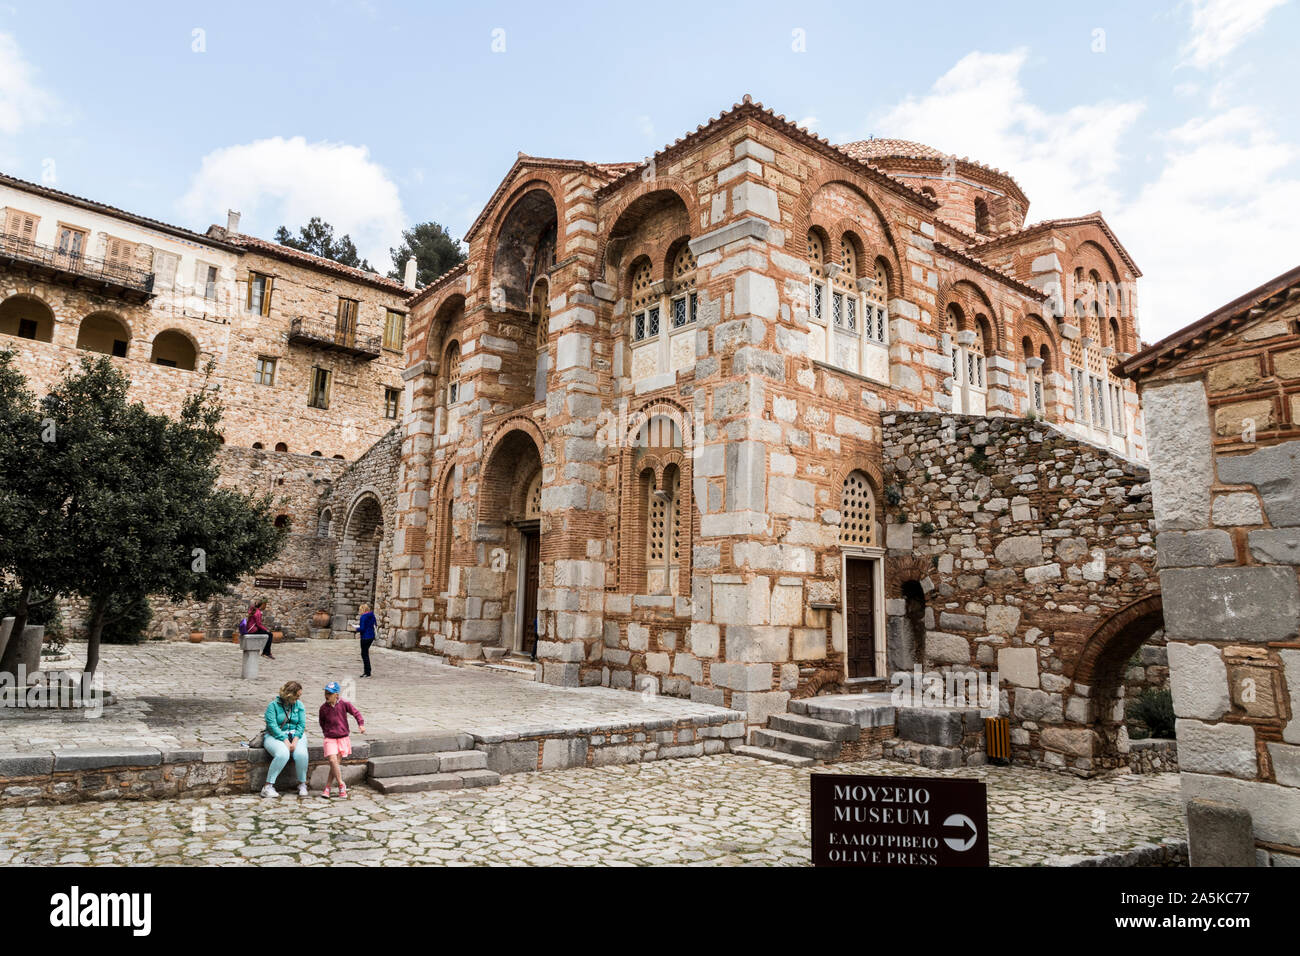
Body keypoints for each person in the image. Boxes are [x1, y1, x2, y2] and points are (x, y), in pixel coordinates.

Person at [260, 681, 309, 798]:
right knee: (282, 754)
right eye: (297, 696)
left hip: (296, 735)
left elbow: (301, 725)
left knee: (301, 754)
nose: (298, 698)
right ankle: (267, 787)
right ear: (289, 695)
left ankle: (302, 784)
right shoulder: (273, 706)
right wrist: (285, 740)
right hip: (275, 736)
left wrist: (295, 740)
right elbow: (272, 726)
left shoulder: (299, 705)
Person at [318, 680, 365, 799]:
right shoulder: (323, 708)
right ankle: (341, 784)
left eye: (330, 693)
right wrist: (326, 732)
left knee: (335, 765)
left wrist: (361, 724)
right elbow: (321, 722)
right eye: (326, 693)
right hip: (330, 738)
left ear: (337, 695)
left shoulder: (344, 704)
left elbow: (356, 713)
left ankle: (327, 787)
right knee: (333, 761)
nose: (327, 695)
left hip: (342, 737)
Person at [354, 603, 376, 677]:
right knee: (365, 653)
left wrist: (356, 628)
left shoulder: (363, 617)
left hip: (365, 637)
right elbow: (374, 624)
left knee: (364, 654)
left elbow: (362, 628)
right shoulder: (372, 615)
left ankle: (367, 672)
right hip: (371, 636)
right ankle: (367, 671)